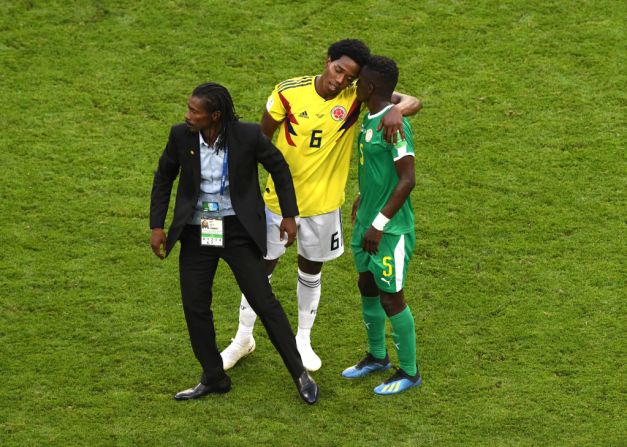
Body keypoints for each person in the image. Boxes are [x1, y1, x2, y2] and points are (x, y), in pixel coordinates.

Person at [221, 39, 422, 372]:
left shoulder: (356, 101)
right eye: (338, 69)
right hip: (278, 202)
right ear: (328, 61)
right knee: (261, 270)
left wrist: (398, 110)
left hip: (325, 207)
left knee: (311, 270)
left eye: (349, 77)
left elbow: (409, 100)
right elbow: (259, 140)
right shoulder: (289, 92)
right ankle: (243, 338)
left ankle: (303, 339)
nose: (340, 80)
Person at [149, 82, 318, 404]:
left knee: (263, 301)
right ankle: (213, 376)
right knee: (195, 305)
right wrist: (157, 225)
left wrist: (289, 215)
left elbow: (280, 169)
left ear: (214, 115)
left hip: (237, 231)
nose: (187, 116)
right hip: (199, 230)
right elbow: (163, 177)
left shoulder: (249, 135)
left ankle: (300, 374)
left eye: (194, 111)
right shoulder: (180, 135)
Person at [341, 56, 422, 395]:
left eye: (359, 82)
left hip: (389, 230)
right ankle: (377, 356)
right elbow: (379, 171)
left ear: (370, 87)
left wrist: (378, 223)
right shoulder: (373, 116)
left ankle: (409, 371)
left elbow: (407, 180)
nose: (354, 86)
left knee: (392, 298)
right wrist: (363, 198)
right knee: (367, 285)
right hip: (366, 221)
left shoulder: (394, 125)